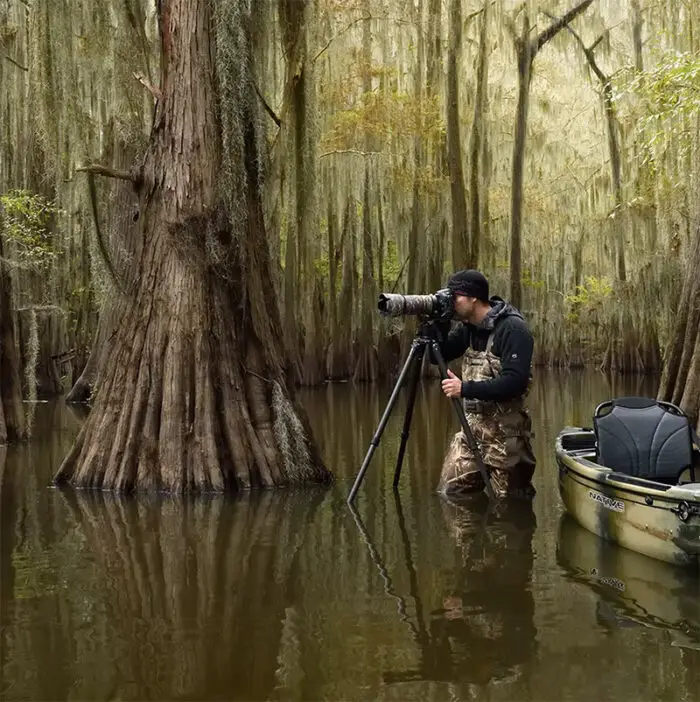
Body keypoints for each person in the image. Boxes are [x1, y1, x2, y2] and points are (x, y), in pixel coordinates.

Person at [434, 269, 536, 498]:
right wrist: (437, 322)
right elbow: (437, 355)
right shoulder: (468, 329)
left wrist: (465, 389)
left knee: (509, 506)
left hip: (506, 434)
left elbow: (515, 382)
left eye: (455, 297)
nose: (451, 302)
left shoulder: (512, 329)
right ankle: (468, 532)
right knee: (452, 495)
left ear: (473, 298)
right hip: (472, 431)